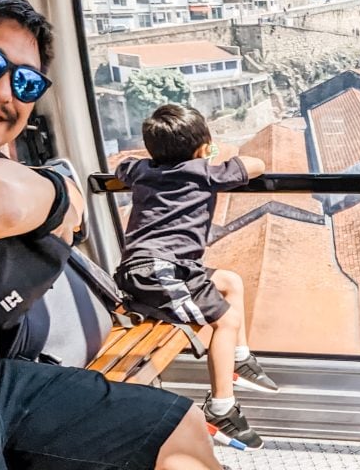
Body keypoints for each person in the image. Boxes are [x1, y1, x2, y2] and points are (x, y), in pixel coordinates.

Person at [0, 0, 227, 469]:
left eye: (26, 83)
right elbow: (0, 203)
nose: (5, 93)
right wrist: (61, 191)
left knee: (179, 430)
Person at [114, 103, 278, 452]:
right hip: (159, 272)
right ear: (203, 147)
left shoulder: (142, 170)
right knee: (225, 320)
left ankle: (239, 357)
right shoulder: (203, 172)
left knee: (231, 281)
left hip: (156, 268)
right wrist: (212, 158)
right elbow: (256, 165)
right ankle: (223, 408)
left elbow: (122, 167)